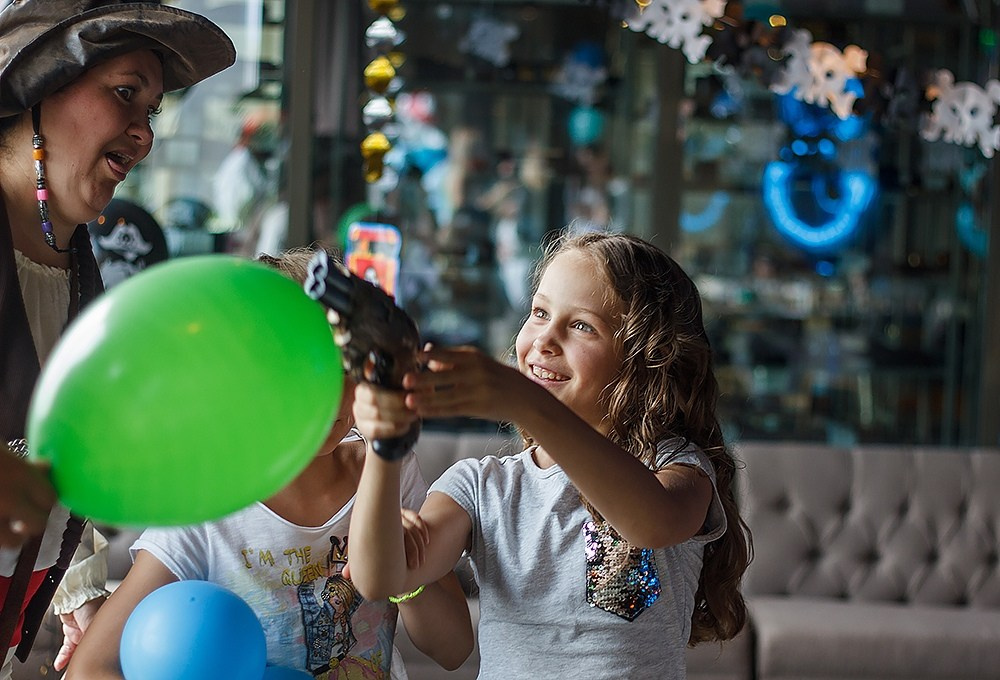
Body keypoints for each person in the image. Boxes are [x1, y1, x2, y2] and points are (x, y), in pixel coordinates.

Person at [348, 230, 753, 679]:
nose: (545, 338)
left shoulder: (678, 468)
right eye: (539, 312)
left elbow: (651, 523)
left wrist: (527, 403)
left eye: (582, 325)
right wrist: (384, 444)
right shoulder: (481, 487)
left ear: (645, 358)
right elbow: (382, 578)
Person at [66, 248, 474, 680]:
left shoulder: (387, 466)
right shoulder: (211, 502)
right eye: (303, 368)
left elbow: (453, 649)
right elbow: (91, 667)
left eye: (346, 365)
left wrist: (403, 572)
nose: (336, 391)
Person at [0, 1, 235, 677]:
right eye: (125, 93)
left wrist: (76, 592)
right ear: (40, 84)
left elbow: (56, 456)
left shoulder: (78, 271)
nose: (143, 133)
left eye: (151, 111)